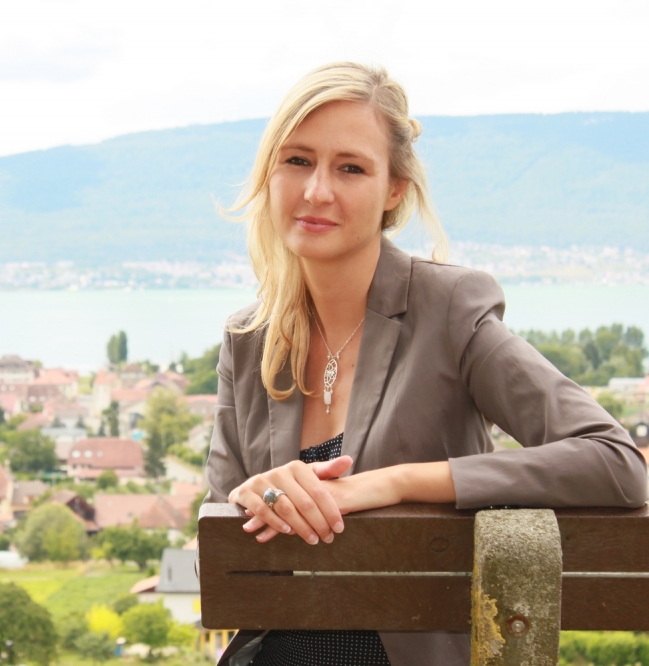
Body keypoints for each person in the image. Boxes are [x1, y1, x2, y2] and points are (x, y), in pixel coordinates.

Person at [203, 62, 648, 666]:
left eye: (350, 168)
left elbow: (616, 462)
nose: (316, 191)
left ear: (395, 190)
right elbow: (221, 540)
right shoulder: (248, 338)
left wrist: (397, 483)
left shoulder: (449, 312)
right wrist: (251, 498)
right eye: (297, 160)